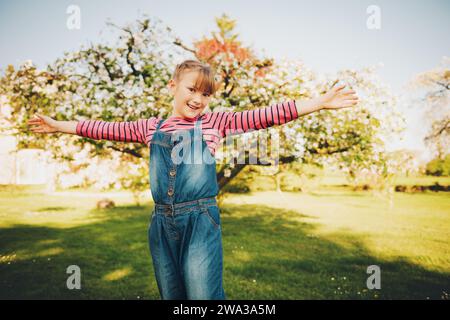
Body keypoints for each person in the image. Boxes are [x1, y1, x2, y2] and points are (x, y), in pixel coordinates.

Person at [28, 59, 358, 300]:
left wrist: (320, 103)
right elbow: (100, 128)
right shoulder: (150, 127)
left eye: (206, 93)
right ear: (173, 86)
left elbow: (268, 115)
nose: (198, 99)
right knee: (172, 295)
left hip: (200, 220)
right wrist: (58, 125)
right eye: (192, 89)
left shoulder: (216, 122)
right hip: (161, 223)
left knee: (202, 296)